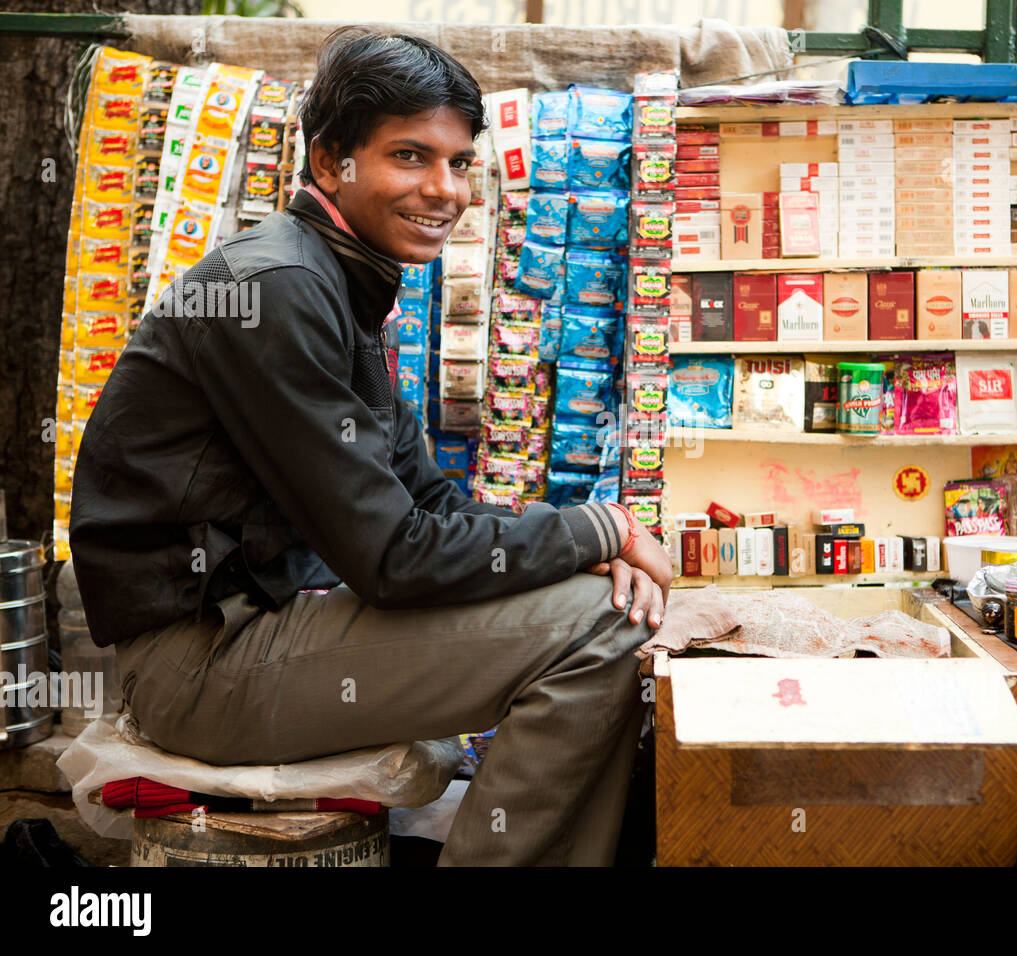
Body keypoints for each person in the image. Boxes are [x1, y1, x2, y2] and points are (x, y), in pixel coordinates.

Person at [69, 27, 673, 866]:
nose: (444, 189)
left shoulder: (334, 281)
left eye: (459, 163)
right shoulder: (280, 289)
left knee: (600, 608)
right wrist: (601, 531)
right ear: (330, 162)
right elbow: (393, 556)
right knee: (597, 629)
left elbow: (429, 504)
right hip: (198, 667)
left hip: (250, 633)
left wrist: (578, 549)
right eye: (410, 157)